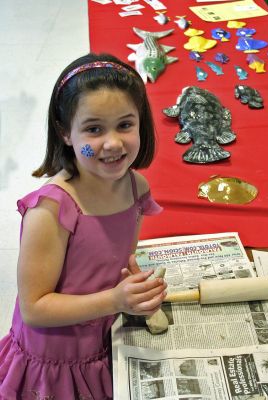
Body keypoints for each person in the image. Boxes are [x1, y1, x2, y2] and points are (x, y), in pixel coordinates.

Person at [0, 53, 167, 399]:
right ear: (65, 132)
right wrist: (115, 299)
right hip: (55, 360)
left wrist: (134, 292)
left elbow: (121, 261)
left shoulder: (137, 188)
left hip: (104, 340)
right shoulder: (51, 209)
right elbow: (34, 308)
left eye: (125, 125)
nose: (113, 143)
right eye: (93, 129)